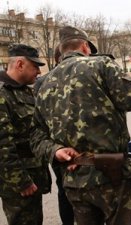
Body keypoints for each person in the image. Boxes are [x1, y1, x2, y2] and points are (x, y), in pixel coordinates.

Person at [30, 25, 131, 225]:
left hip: (75, 182)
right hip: (111, 178)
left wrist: (55, 150)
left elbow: (35, 136)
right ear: (85, 47)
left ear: (62, 50)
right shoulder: (101, 65)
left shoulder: (44, 83)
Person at [0, 44, 51, 225]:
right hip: (18, 185)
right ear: (20, 64)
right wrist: (21, 182)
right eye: (35, 66)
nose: (38, 71)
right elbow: (3, 146)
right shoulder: (3, 93)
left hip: (33, 176)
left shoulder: (25, 91)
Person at [34, 46, 75, 225]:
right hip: (61, 150)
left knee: (66, 190)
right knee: (66, 191)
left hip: (58, 148)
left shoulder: (42, 81)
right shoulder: (43, 82)